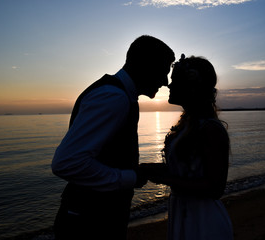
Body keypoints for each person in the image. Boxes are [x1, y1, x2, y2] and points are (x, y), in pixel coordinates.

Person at [51, 35, 175, 240]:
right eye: (163, 71)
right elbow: (67, 163)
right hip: (88, 223)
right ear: (145, 65)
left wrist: (135, 170)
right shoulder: (113, 97)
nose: (165, 82)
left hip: (95, 219)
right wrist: (129, 178)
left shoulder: (120, 95)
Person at [142, 55, 233, 240]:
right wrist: (148, 169)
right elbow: (185, 171)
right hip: (183, 214)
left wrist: (166, 179)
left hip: (204, 222)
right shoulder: (188, 125)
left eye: (175, 80)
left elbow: (215, 188)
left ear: (192, 87)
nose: (169, 85)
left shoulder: (210, 129)